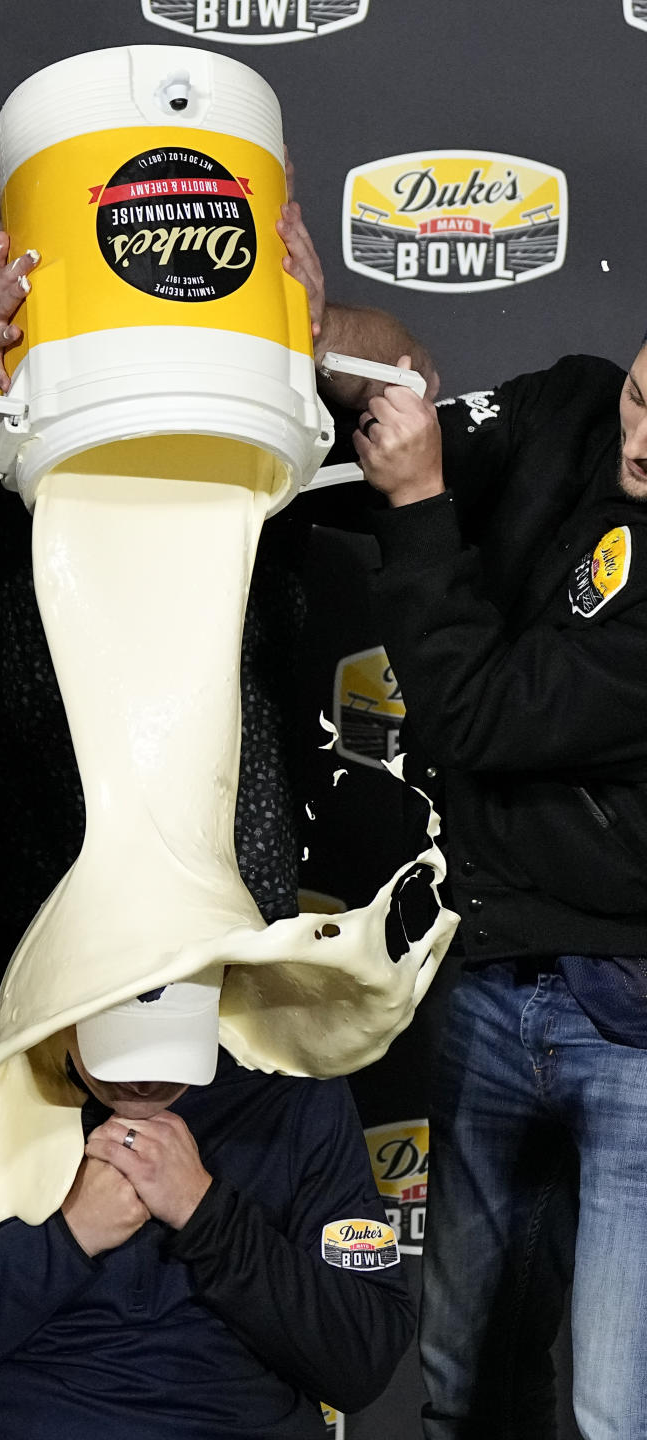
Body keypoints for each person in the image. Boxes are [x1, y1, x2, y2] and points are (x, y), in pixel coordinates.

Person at [0, 135, 439, 1011]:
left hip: (224, 772)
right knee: (22, 1043)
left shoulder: (261, 321)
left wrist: (311, 324)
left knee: (208, 1053)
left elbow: (407, 368)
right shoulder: (10, 294)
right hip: (18, 768)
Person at [352, 346, 647, 1439]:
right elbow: (379, 436)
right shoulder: (571, 400)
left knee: (619, 1413)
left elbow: (481, 717)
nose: (642, 443)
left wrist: (422, 503)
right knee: (464, 1387)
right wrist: (304, 318)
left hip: (634, 1028)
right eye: (641, 399)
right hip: (492, 982)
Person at [0, 982, 415, 1439]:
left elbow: (359, 1363)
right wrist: (66, 1238)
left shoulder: (295, 1092)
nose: (142, 1081)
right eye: (119, 1047)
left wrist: (206, 1213)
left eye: (169, 1049)